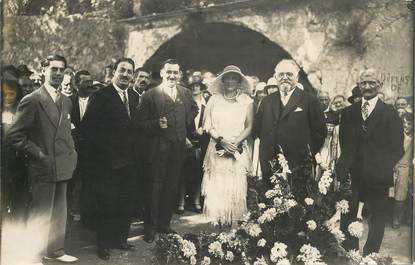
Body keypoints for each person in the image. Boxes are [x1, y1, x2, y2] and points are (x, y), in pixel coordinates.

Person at [6, 55, 78, 264]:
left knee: (59, 211)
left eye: (61, 70)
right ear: (43, 69)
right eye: (53, 69)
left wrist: (72, 153)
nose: (57, 73)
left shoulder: (66, 100)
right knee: (40, 212)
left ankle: (55, 250)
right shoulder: (32, 100)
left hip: (63, 164)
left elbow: (65, 133)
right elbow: (14, 136)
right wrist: (38, 153)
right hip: (42, 166)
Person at [336, 68, 404, 255]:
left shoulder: (390, 114)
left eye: (372, 83)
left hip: (378, 176)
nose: (367, 86)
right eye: (364, 83)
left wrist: (380, 167)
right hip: (353, 175)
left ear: (379, 85)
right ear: (359, 86)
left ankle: (370, 256)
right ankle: (350, 254)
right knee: (348, 216)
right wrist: (345, 167)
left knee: (377, 218)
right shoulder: (349, 113)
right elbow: (344, 143)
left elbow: (397, 149)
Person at [82, 58, 139, 260]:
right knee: (107, 204)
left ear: (133, 76)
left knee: (126, 201)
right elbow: (88, 130)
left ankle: (120, 239)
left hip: (130, 161)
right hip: (107, 162)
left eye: (129, 72)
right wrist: (102, 156)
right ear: (114, 72)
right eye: (121, 70)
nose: (125, 75)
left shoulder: (133, 96)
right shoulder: (101, 96)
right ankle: (103, 244)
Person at [138, 59, 198, 243]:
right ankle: (150, 228)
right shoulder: (150, 95)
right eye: (169, 72)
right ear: (162, 73)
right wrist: (156, 124)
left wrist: (184, 127)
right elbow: (140, 124)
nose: (172, 76)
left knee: (171, 187)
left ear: (180, 75)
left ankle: (164, 224)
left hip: (178, 148)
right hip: (157, 149)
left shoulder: (186, 93)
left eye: (176, 72)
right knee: (154, 188)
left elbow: (194, 110)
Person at [253, 59, 327, 189]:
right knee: (270, 204)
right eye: (281, 75)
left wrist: (306, 153)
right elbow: (257, 129)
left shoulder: (309, 100)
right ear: (275, 77)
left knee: (298, 204)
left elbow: (320, 132)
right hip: (271, 163)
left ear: (297, 77)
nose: (285, 78)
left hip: (299, 164)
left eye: (289, 74)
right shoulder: (267, 101)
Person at [201, 65, 254, 226]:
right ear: (223, 80)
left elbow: (249, 126)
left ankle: (234, 229)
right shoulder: (214, 99)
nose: (231, 81)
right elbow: (207, 124)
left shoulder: (246, 101)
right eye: (228, 78)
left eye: (234, 78)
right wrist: (221, 141)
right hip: (217, 147)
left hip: (236, 149)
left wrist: (235, 143)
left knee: (235, 189)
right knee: (218, 187)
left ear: (239, 81)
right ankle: (219, 227)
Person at [177, 75, 210, 215]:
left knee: (198, 172)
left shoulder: (206, 106)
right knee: (183, 173)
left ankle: (196, 201)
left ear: (202, 89)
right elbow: (179, 123)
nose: (195, 89)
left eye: (198, 86)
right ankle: (181, 202)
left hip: (201, 143)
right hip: (186, 142)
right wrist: (185, 137)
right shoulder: (185, 105)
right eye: (192, 87)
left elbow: (211, 122)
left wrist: (204, 127)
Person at [68, 70, 96, 227]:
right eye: (85, 82)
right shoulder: (69, 101)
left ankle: (86, 214)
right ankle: (70, 212)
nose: (89, 84)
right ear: (77, 84)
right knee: (72, 181)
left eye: (90, 81)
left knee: (89, 182)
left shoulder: (97, 100)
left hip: (92, 150)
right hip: (74, 147)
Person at [392, 112, 413, 228]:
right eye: (403, 123)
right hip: (396, 166)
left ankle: (399, 217)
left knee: (402, 191)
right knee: (393, 190)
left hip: (407, 167)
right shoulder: (397, 136)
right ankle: (392, 215)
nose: (406, 126)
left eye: (409, 123)